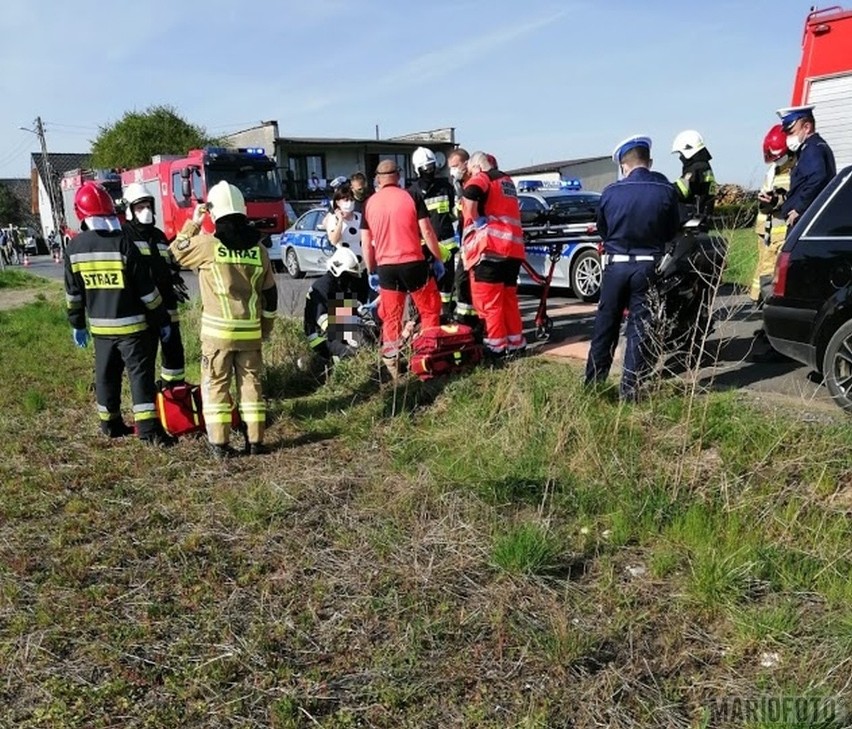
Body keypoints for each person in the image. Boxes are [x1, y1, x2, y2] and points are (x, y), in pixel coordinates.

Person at [169, 182, 278, 459]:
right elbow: (271, 295)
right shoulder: (259, 250)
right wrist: (265, 329)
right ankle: (256, 442)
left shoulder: (208, 245)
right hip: (250, 333)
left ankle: (220, 444)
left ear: (214, 213)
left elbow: (174, 252)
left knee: (216, 386)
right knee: (251, 386)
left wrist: (193, 223)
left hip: (218, 335)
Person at [64, 181, 174, 444]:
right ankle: (148, 432)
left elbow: (73, 294)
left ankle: (110, 424)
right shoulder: (123, 242)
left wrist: (77, 323)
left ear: (81, 213)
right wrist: (162, 318)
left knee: (105, 376)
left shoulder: (74, 248)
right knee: (140, 377)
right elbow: (146, 290)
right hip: (134, 329)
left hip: (101, 330)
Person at [584, 135, 680, 402]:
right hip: (648, 268)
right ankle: (630, 390)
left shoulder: (611, 192)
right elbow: (672, 229)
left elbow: (603, 230)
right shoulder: (666, 191)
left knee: (606, 326)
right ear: (649, 162)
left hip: (616, 267)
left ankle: (593, 386)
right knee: (639, 330)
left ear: (624, 165)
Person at [361, 159, 443, 380]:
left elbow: (366, 242)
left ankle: (393, 366)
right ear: (398, 175)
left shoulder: (369, 204)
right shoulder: (412, 195)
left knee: (391, 317)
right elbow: (427, 231)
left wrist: (372, 270)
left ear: (378, 179)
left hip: (386, 268)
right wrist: (438, 258)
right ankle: (428, 359)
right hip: (413, 263)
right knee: (429, 310)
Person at [460, 151, 527, 358]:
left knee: (489, 304)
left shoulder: (483, 178)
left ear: (477, 168)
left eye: (470, 171)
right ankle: (516, 343)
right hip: (513, 251)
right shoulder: (507, 182)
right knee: (508, 300)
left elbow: (470, 193)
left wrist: (475, 217)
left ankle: (495, 347)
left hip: (491, 250)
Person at [122, 182, 188, 386]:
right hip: (143, 310)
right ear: (130, 210)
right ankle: (148, 397)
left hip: (167, 307)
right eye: (140, 207)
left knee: (174, 352)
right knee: (145, 357)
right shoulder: (125, 236)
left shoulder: (159, 236)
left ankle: (173, 392)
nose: (146, 211)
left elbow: (168, 263)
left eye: (148, 206)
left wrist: (174, 279)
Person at [408, 146, 458, 320]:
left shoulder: (445, 187)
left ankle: (445, 318)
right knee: (424, 290)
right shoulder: (412, 193)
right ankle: (343, 338)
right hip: (424, 250)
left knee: (446, 288)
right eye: (425, 168)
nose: (429, 171)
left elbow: (453, 213)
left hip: (446, 245)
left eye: (432, 167)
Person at [776, 105, 836, 230]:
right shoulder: (811, 147)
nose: (788, 138)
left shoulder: (812, 149)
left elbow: (817, 177)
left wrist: (799, 208)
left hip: (805, 219)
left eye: (791, 132)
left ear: (807, 127)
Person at [303, 246, 366, 365]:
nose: (350, 279)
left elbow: (346, 316)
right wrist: (350, 334)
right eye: (348, 274)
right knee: (350, 352)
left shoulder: (339, 285)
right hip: (319, 337)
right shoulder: (322, 287)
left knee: (362, 344)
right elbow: (323, 321)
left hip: (335, 332)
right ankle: (323, 363)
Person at [446, 148, 478, 326]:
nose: (453, 170)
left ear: (466, 164)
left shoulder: (475, 184)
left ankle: (471, 322)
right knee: (462, 283)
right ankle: (468, 321)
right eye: (451, 167)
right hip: (465, 244)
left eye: (456, 166)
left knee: (464, 283)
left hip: (475, 245)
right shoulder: (460, 186)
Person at [322, 184, 370, 302]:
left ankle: (359, 319)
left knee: (361, 303)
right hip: (343, 269)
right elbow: (334, 240)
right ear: (338, 202)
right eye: (346, 200)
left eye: (351, 199)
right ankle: (344, 320)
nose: (349, 203)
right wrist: (340, 221)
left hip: (361, 268)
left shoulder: (360, 217)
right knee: (344, 309)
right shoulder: (333, 219)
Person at [671, 129, 717, 220]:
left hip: (693, 216)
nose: (680, 157)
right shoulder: (705, 166)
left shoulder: (696, 168)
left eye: (681, 153)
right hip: (703, 214)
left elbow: (680, 191)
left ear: (687, 150)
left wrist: (663, 189)